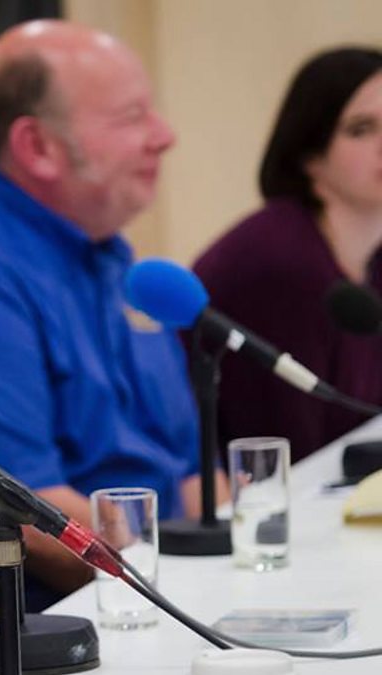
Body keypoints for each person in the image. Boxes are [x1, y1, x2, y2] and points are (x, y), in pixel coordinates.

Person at [0, 20, 217, 611]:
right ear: (37, 147)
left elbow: (185, 473)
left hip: (156, 579)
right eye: (132, 117)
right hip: (63, 618)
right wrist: (197, 601)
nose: (164, 136)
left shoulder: (107, 251)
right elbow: (33, 514)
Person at [193, 47, 382, 463]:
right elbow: (281, 451)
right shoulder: (279, 261)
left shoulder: (372, 259)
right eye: (362, 129)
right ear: (310, 156)